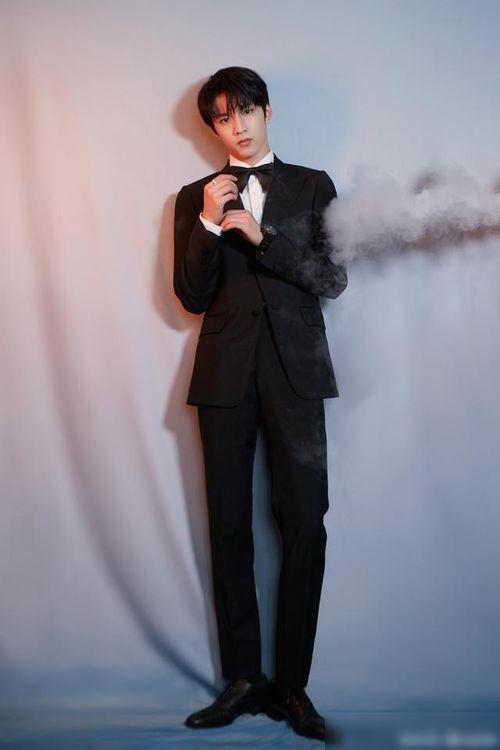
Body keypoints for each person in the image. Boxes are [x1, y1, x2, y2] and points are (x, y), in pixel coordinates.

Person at [173, 66, 347, 742]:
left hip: (296, 375)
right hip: (224, 378)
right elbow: (191, 295)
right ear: (212, 129)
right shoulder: (193, 196)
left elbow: (331, 278)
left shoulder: (313, 186)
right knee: (228, 527)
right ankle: (242, 680)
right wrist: (210, 224)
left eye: (246, 110)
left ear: (267, 111)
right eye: (223, 118)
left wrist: (261, 236)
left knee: (305, 523)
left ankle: (292, 687)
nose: (237, 126)